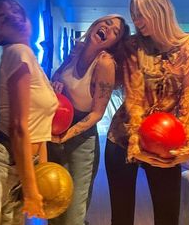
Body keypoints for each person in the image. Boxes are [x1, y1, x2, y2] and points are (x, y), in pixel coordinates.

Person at [105, 0, 189, 225]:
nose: (136, 21)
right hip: (124, 138)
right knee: (121, 218)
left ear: (159, 11)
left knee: (167, 216)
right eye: (133, 14)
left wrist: (188, 144)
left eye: (141, 14)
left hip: (165, 139)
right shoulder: (132, 46)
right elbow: (134, 98)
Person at [0, 0, 59, 224]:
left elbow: (40, 129)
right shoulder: (18, 52)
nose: (11, 15)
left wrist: (41, 173)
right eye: (2, 18)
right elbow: (19, 127)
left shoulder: (28, 57)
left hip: (18, 166)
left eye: (12, 8)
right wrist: (32, 192)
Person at [48, 15, 130, 225]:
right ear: (96, 24)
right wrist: (56, 85)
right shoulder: (76, 50)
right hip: (55, 132)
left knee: (74, 213)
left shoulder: (105, 63)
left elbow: (97, 113)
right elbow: (57, 77)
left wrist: (67, 135)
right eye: (107, 23)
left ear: (114, 43)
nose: (108, 28)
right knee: (54, 206)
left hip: (80, 139)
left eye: (115, 31)